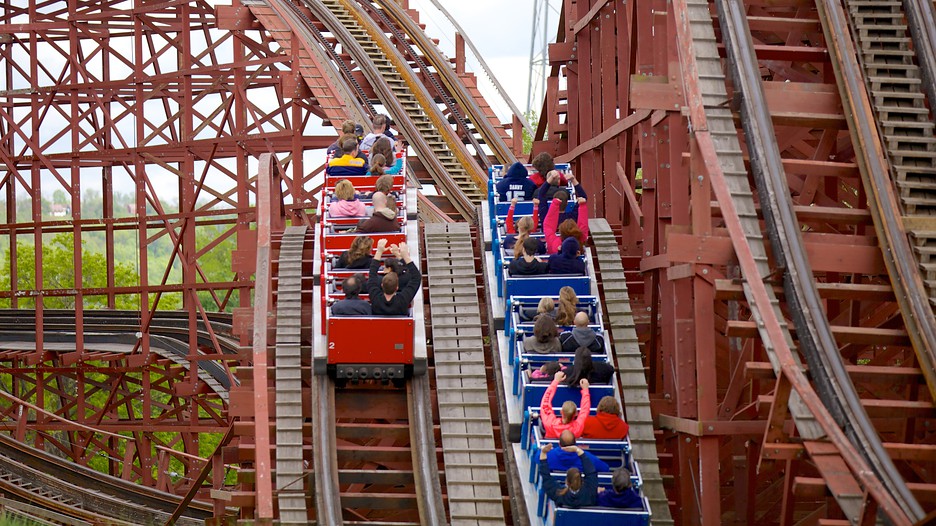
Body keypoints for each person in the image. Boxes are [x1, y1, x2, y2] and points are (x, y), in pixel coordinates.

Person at [366, 239, 421, 316]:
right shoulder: (403, 299)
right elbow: (416, 277)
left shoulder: (375, 298)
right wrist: (405, 256)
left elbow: (372, 274)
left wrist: (379, 251)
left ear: (382, 285)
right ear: (397, 287)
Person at [538, 442, 599, 508]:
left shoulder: (559, 494)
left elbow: (546, 477)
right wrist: (578, 450)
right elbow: (591, 472)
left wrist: (543, 453)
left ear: (567, 482)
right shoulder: (590, 492)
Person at [540, 370, 591, 438]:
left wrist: (555, 381)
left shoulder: (550, 424)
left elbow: (545, 403)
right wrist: (585, 390)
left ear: (561, 412)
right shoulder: (578, 427)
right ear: (576, 413)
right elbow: (585, 409)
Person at [546, 430, 611, 472]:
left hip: (555, 491)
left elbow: (537, 457)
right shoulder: (587, 458)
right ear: (575, 443)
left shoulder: (549, 455)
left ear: (559, 444)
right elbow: (605, 468)